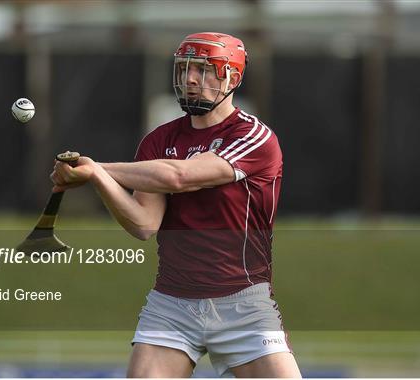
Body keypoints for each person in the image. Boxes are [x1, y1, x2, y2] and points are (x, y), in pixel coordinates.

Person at [51, 32, 301, 378]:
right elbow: (143, 224)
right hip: (172, 303)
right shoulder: (160, 140)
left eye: (205, 70)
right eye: (185, 70)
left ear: (234, 77)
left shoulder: (253, 137)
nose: (191, 80)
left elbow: (179, 176)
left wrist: (98, 167)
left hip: (242, 303)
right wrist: (95, 178)